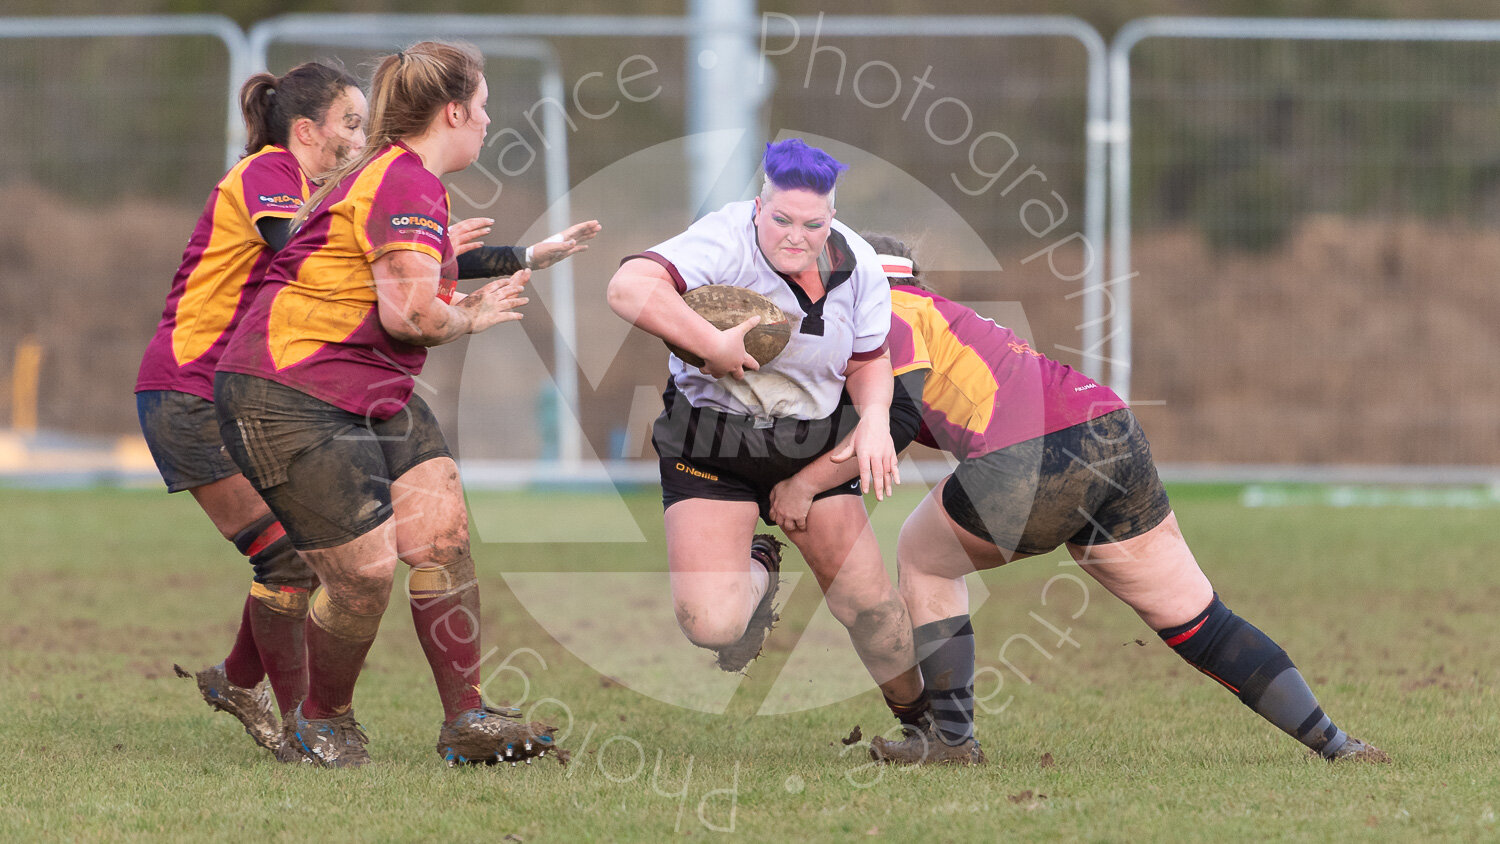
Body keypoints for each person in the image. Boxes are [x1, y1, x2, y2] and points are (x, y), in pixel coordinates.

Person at [770, 235, 1388, 765]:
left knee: (922, 556)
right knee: (1200, 619)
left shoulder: (885, 313)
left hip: (1031, 457)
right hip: (1110, 430)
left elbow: (891, 422)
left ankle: (951, 742)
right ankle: (1338, 745)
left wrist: (801, 483)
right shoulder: (942, 311)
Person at [213, 40, 591, 768]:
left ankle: (467, 720)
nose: (488, 121)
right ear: (454, 112)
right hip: (289, 391)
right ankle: (322, 721)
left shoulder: (401, 176)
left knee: (442, 538)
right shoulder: (405, 180)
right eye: (483, 107)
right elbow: (411, 316)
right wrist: (469, 316)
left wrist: (479, 278)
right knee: (363, 575)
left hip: (368, 386)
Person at [606, 139, 928, 734]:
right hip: (712, 445)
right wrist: (711, 344)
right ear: (759, 207)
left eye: (812, 224)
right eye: (781, 219)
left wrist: (875, 418)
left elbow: (869, 360)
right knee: (711, 625)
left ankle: (926, 726)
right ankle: (761, 562)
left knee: (871, 610)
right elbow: (628, 287)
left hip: (809, 445)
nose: (795, 237)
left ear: (832, 217)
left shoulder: (858, 264)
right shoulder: (723, 237)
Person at [135, 62, 368, 752]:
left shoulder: (308, 189)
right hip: (188, 395)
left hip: (235, 397)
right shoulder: (271, 172)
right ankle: (304, 729)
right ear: (307, 131)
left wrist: (496, 257)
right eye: (352, 123)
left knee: (299, 557)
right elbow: (302, 251)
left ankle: (238, 681)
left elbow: (354, 258)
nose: (362, 139)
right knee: (290, 559)